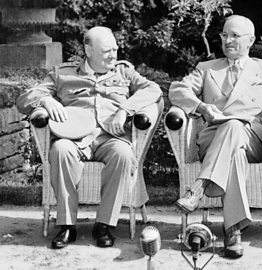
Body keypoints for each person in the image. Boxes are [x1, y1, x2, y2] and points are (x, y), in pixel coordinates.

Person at [169, 15, 262, 258]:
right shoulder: (206, 69)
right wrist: (201, 107)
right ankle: (232, 229)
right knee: (234, 148)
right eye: (224, 35)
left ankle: (199, 189)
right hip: (213, 140)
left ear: (251, 40)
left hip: (253, 138)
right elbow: (177, 90)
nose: (228, 40)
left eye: (235, 36)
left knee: (234, 126)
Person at [16, 26, 163, 249]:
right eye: (106, 51)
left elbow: (154, 90)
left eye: (115, 49)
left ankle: (104, 224)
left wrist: (125, 108)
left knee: (124, 154)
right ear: (88, 49)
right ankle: (66, 225)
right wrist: (46, 101)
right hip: (75, 138)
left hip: (110, 137)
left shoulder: (124, 73)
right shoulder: (63, 73)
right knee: (60, 150)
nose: (113, 55)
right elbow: (24, 99)